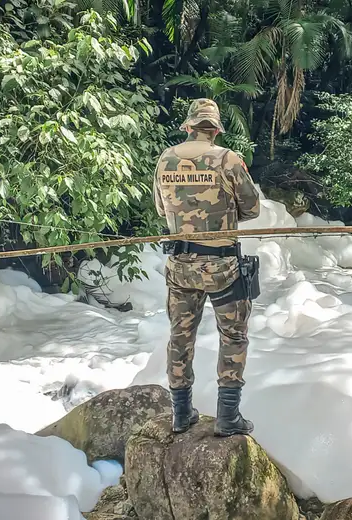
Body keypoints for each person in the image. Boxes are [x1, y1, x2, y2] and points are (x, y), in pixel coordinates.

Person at [152, 98, 261, 437]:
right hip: (223, 267)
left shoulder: (165, 159)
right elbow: (252, 209)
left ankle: (181, 414)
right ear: (215, 129)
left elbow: (160, 209)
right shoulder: (228, 159)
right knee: (234, 336)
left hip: (181, 266)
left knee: (180, 337)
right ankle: (228, 416)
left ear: (187, 126)